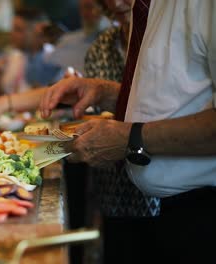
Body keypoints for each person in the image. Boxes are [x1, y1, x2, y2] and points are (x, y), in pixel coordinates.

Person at [39, 0, 216, 262]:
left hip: (202, 212)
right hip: (166, 212)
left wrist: (128, 137)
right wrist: (105, 92)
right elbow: (174, 96)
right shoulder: (148, 7)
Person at [83, 0, 160, 262]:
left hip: (164, 193)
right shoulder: (102, 46)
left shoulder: (163, 37)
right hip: (115, 190)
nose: (116, 2)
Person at [0, 8, 62, 99]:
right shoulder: (18, 56)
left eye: (18, 30)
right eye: (13, 29)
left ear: (37, 31)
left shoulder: (52, 58)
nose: (12, 34)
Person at [45, 0, 110, 75]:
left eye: (89, 7)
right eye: (81, 8)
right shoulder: (67, 39)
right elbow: (47, 68)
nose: (84, 14)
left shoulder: (115, 40)